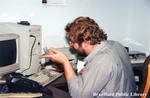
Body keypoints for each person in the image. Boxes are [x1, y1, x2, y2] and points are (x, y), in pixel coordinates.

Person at [41, 16, 136, 98]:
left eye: (72, 42)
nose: (71, 46)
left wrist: (65, 62)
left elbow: (78, 96)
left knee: (45, 92)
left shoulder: (101, 60)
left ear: (85, 43)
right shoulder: (116, 45)